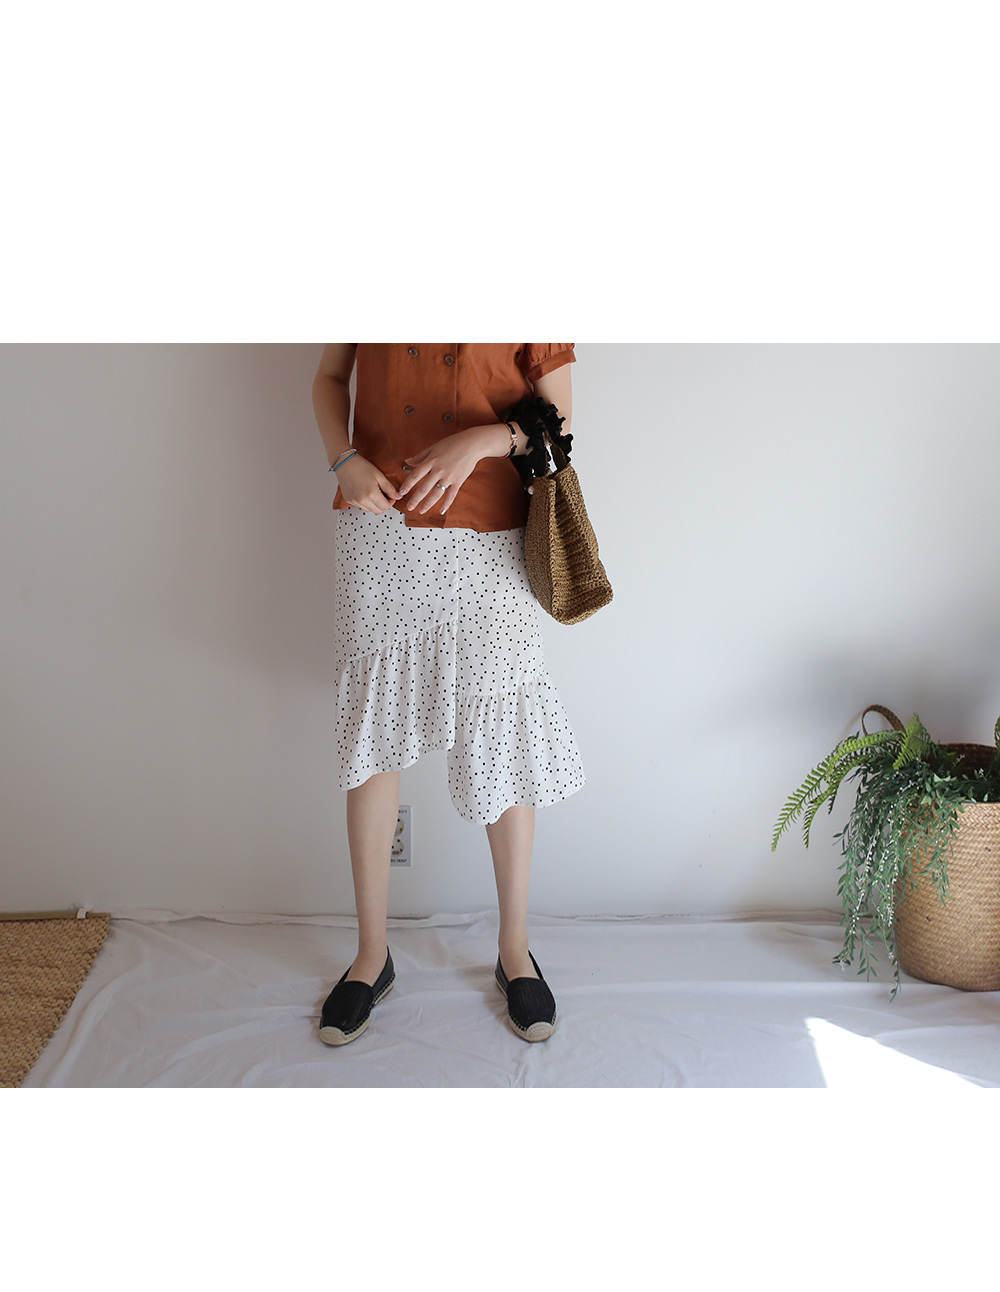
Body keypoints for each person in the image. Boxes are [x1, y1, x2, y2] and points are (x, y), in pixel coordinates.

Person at [311, 343, 586, 1046]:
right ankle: (371, 956)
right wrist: (343, 458)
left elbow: (558, 420)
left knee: (502, 735)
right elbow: (330, 376)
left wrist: (484, 440)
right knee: (372, 741)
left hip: (492, 531)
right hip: (377, 527)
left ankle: (515, 950)